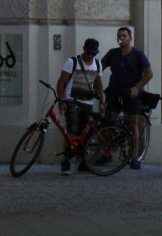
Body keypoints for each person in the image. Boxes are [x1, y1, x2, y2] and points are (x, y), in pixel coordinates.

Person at [100, 26, 153, 170]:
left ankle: (134, 157)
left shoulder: (138, 54)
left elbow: (149, 73)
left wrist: (137, 87)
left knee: (133, 124)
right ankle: (107, 152)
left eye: (124, 35)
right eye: (119, 35)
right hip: (114, 91)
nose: (121, 38)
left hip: (131, 93)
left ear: (130, 38)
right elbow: (99, 68)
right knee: (109, 121)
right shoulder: (113, 53)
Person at [55, 37, 104, 175]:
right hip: (72, 101)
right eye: (88, 53)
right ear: (83, 49)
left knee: (85, 133)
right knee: (71, 131)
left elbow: (99, 84)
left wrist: (101, 102)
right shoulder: (72, 62)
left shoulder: (98, 65)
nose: (91, 56)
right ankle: (66, 162)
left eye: (93, 53)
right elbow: (61, 82)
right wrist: (62, 101)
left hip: (87, 102)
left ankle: (82, 162)